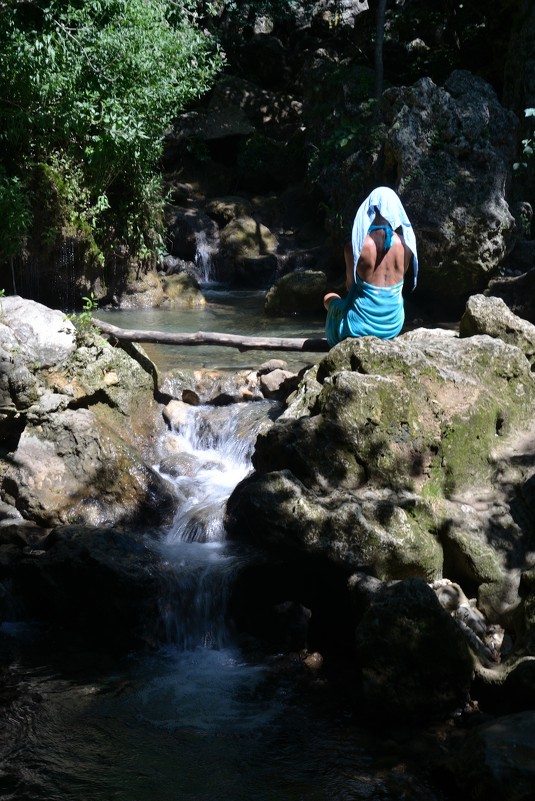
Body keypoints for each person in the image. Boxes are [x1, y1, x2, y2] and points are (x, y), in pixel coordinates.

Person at [323, 186, 418, 347]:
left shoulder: (355, 247)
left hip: (358, 327)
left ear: (369, 210)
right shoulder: (407, 246)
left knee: (329, 298)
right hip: (392, 327)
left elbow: (349, 286)